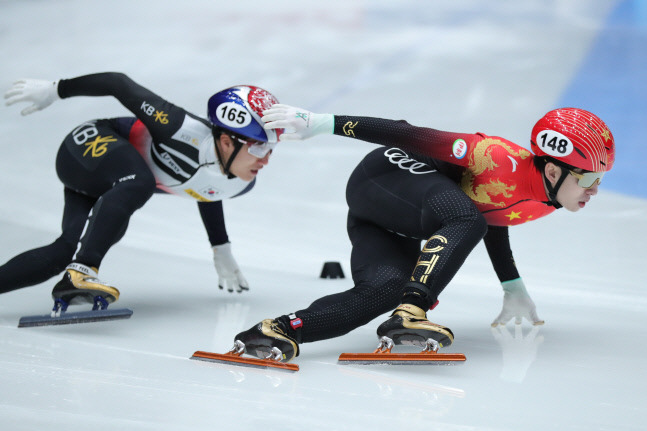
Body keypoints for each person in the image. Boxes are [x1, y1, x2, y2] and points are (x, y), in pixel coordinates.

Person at [231, 104, 615, 362]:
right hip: (385, 175)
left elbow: (493, 217)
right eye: (591, 179)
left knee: (383, 290)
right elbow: (410, 134)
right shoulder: (497, 157)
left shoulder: (546, 200)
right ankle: (411, 313)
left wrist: (512, 286)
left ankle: (278, 329)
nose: (596, 191)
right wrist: (326, 123)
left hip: (386, 218)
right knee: (466, 220)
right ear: (553, 171)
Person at [1, 72, 283, 313]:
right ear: (225, 141)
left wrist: (221, 248)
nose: (266, 159)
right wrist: (55, 90)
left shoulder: (240, 183)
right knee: (139, 183)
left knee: (64, 251)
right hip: (86, 147)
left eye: (271, 148)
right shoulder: (178, 127)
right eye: (258, 147)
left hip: (105, 184)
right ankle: (82, 272)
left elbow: (208, 190)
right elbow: (118, 83)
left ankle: (71, 270)